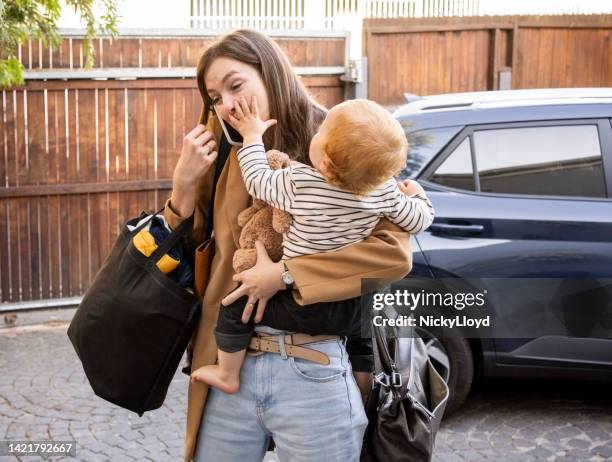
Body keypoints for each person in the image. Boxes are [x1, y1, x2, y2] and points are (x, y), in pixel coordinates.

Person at [164, 29, 417, 462]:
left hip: (312, 363)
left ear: (270, 72)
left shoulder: (338, 138)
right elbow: (191, 254)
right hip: (230, 359)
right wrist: (182, 187)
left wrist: (284, 274)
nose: (226, 103)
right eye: (214, 96)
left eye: (235, 85)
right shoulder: (227, 151)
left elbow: (393, 254)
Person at [189, 95, 435, 394]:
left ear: (326, 162)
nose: (315, 132)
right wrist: (418, 194)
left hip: (299, 303)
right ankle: (364, 389)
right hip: (348, 305)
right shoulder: (385, 193)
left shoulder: (301, 183)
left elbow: (257, 179)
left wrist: (253, 135)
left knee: (234, 306)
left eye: (321, 132)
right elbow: (418, 220)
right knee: (364, 336)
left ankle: (228, 373)